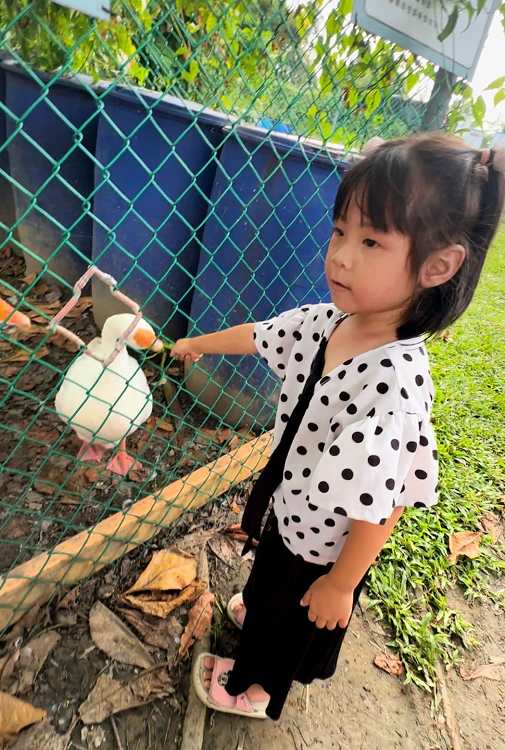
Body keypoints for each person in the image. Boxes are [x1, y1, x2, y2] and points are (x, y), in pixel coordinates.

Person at [170, 133, 505, 721]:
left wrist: (342, 584)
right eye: (339, 231)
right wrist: (197, 343)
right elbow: (260, 334)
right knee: (270, 585)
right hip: (291, 504)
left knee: (288, 614)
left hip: (322, 549)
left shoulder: (394, 385)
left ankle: (253, 689)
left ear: (439, 265)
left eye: (371, 240)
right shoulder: (332, 321)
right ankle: (263, 610)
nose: (340, 256)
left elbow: (385, 504)